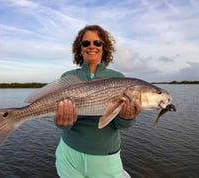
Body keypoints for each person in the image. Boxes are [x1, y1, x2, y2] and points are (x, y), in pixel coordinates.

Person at [54, 25, 142, 178]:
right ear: (79, 48)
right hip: (68, 154)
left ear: (104, 47)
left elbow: (121, 126)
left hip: (105, 158)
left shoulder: (119, 78)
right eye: (86, 43)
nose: (92, 46)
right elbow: (59, 122)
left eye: (97, 43)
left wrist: (126, 118)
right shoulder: (68, 77)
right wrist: (62, 122)